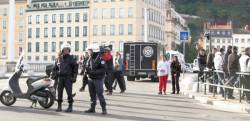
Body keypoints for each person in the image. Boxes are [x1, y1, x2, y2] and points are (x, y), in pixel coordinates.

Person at [53, 43, 78, 112]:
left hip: (68, 78)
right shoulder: (58, 59)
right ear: (62, 50)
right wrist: (54, 75)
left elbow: (75, 69)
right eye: (65, 49)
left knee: (69, 93)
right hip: (60, 78)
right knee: (59, 93)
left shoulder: (72, 58)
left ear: (69, 50)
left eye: (67, 49)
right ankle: (59, 106)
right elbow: (55, 68)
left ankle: (70, 107)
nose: (66, 50)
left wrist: (74, 77)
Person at [85, 44, 107, 115]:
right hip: (90, 79)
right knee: (92, 94)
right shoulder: (89, 58)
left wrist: (92, 72)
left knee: (100, 94)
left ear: (94, 51)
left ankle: (104, 109)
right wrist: (86, 71)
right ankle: (92, 108)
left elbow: (103, 70)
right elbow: (87, 67)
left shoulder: (101, 59)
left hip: (98, 79)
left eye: (90, 50)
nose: (88, 52)